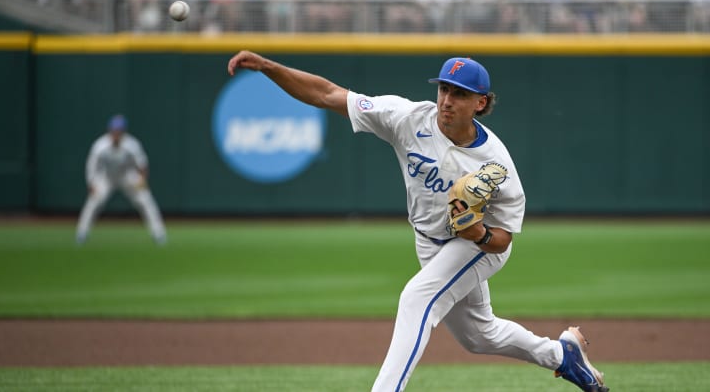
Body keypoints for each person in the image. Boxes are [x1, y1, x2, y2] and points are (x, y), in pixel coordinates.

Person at [226, 51, 609, 392]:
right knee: (479, 335)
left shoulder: (496, 164)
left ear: (481, 102)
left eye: (459, 93)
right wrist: (268, 67)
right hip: (428, 240)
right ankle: (563, 356)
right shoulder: (408, 118)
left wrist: (478, 232)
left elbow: (503, 239)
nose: (447, 100)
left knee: (416, 297)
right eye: (443, 89)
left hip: (476, 246)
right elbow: (327, 94)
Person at [76, 114, 167, 245]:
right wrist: (91, 182)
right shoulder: (100, 145)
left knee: (145, 199)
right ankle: (82, 233)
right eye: (114, 130)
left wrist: (142, 179)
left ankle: (159, 234)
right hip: (107, 177)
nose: (116, 133)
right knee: (93, 202)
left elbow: (142, 164)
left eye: (119, 130)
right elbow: (91, 165)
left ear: (124, 131)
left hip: (127, 176)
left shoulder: (131, 145)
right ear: (110, 130)